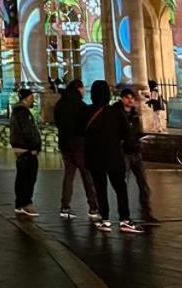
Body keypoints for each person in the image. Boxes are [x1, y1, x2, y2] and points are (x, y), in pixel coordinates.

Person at [84, 82, 143, 233]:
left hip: (94, 157)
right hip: (114, 157)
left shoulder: (87, 112)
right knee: (120, 188)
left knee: (100, 189)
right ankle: (124, 219)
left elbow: (80, 133)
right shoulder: (116, 112)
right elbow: (126, 134)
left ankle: (105, 219)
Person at [53, 80, 99, 221]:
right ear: (79, 89)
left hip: (65, 145)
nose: (85, 91)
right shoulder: (81, 106)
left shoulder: (59, 105)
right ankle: (93, 207)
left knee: (68, 176)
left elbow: (57, 123)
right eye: (84, 88)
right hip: (79, 145)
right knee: (87, 177)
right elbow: (86, 126)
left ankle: (65, 205)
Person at [122, 88, 157, 224]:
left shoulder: (135, 116)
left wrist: (142, 139)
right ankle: (125, 215)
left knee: (143, 184)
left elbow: (137, 132)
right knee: (123, 184)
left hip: (136, 152)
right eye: (127, 98)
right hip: (125, 153)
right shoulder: (119, 115)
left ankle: (146, 211)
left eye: (132, 98)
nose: (130, 100)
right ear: (122, 99)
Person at [9, 88, 42, 217]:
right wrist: (34, 147)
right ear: (26, 98)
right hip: (26, 149)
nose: (33, 100)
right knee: (28, 177)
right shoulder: (23, 112)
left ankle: (19, 203)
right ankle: (25, 204)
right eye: (31, 97)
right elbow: (28, 131)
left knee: (22, 176)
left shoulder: (18, 111)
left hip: (20, 148)